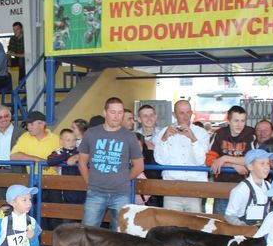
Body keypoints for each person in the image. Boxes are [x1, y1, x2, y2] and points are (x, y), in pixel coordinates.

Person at [78, 98, 145, 228]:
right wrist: (90, 182)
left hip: (121, 194)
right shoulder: (91, 133)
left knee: (119, 236)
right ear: (105, 112)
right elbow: (82, 162)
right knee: (88, 233)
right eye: (113, 112)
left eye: (120, 113)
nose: (116, 116)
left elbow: (139, 166)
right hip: (95, 192)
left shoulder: (130, 136)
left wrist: (123, 179)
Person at [153, 99, 210, 212]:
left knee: (194, 226)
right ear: (174, 114)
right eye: (182, 113)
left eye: (188, 112)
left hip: (194, 188)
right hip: (171, 188)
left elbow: (200, 160)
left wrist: (193, 139)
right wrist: (164, 139)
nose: (186, 116)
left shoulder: (201, 133)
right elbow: (160, 160)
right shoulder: (164, 132)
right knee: (170, 225)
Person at [205, 105, 256, 214]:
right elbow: (210, 161)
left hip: (244, 186)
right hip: (222, 186)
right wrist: (233, 165)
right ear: (228, 121)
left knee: (241, 222)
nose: (239, 124)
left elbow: (251, 160)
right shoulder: (219, 134)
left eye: (243, 121)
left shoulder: (251, 134)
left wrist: (224, 158)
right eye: (236, 120)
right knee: (221, 223)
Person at [10, 111, 60, 177]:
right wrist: (38, 160)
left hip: (53, 181)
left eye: (31, 124)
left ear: (42, 124)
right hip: (32, 180)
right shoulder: (25, 136)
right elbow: (13, 156)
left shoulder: (56, 139)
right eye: (27, 124)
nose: (28, 127)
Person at [47, 128, 86, 206]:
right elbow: (50, 161)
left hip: (81, 186)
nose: (71, 143)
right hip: (65, 188)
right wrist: (68, 155)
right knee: (67, 208)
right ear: (61, 141)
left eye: (74, 140)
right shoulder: (58, 152)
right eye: (68, 140)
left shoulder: (80, 152)